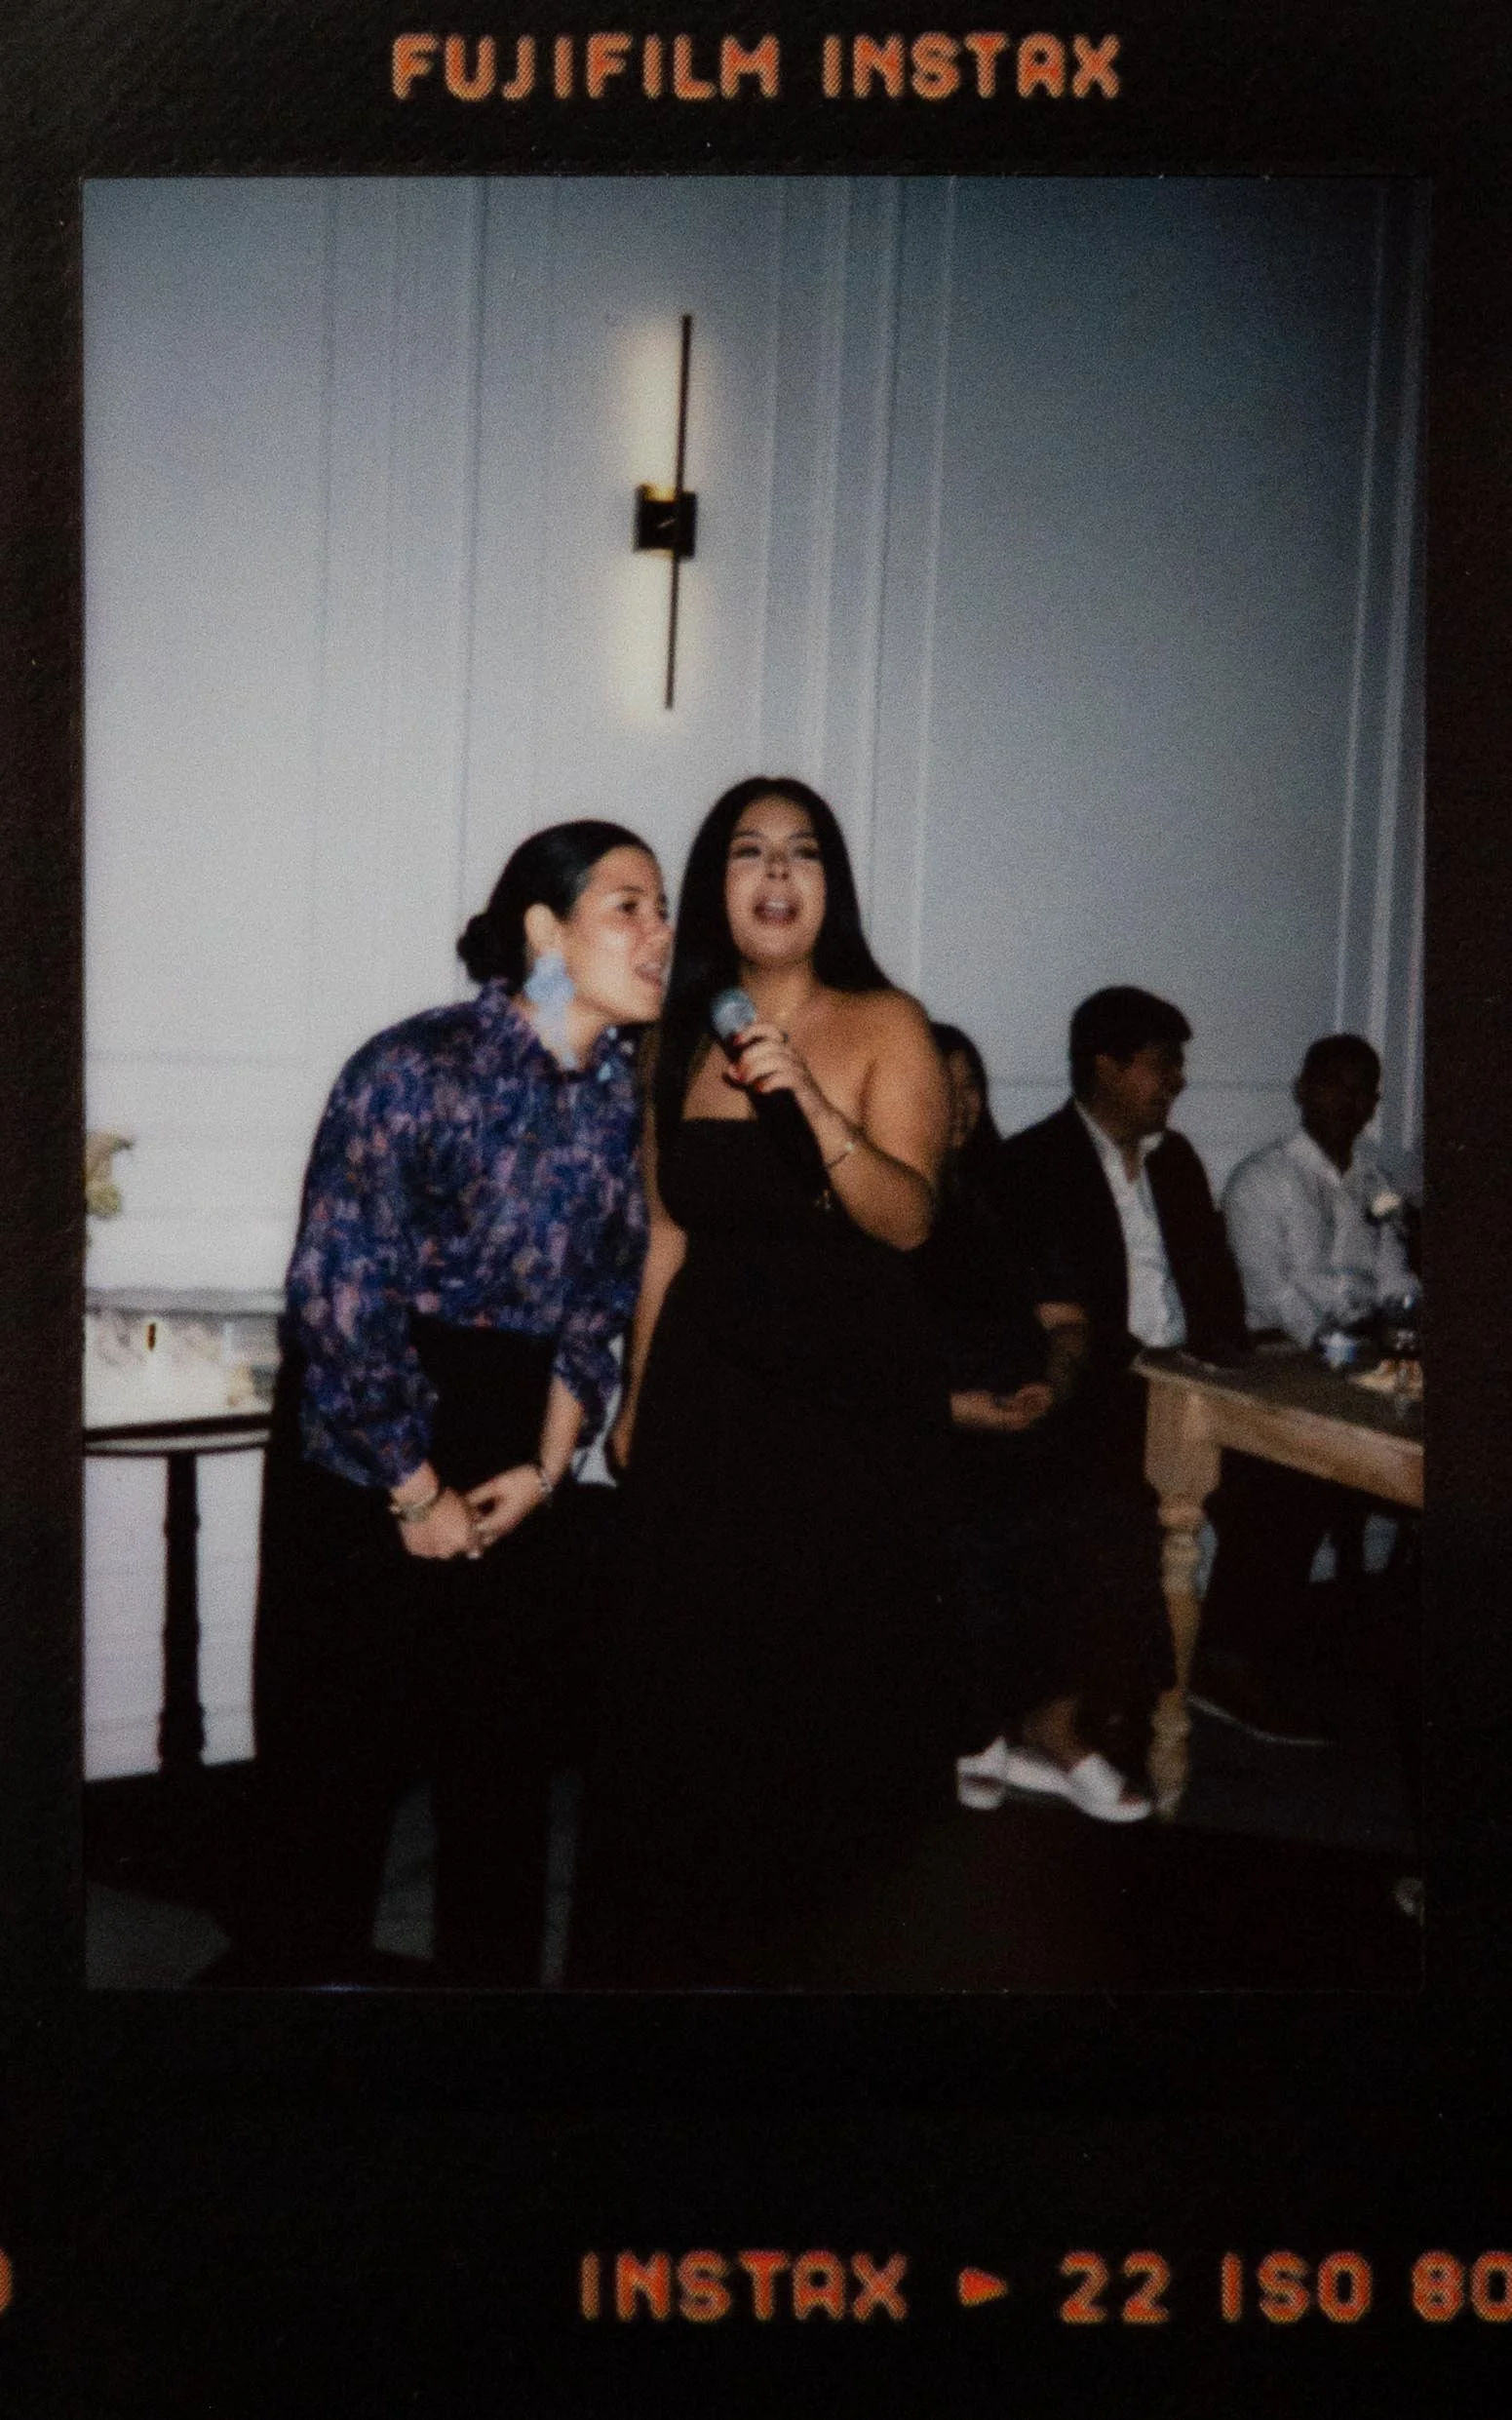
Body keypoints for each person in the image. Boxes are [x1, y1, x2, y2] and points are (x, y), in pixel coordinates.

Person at [236, 821, 670, 1986]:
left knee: (505, 1781)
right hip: (367, 1451)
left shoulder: (621, 1098)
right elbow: (336, 1298)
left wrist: (545, 1469)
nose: (661, 932)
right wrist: (413, 1489)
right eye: (630, 904)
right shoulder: (411, 1067)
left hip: (516, 1442)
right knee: (332, 1783)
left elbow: (598, 1305)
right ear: (544, 929)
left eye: (663, 907)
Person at [570, 777, 954, 1987]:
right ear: (718, 886)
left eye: (800, 854)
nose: (775, 875)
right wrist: (634, 1399)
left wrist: (811, 1101)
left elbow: (906, 1225)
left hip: (850, 1415)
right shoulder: (673, 1037)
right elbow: (666, 1232)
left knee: (832, 1699)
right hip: (710, 1399)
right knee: (689, 1700)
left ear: (829, 886)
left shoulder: (889, 1021)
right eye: (747, 854)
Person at [990, 986, 1248, 1801]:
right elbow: (1046, 1323)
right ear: (1105, 1065)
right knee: (1120, 1505)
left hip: (1188, 1382)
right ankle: (1095, 1709)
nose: (1176, 1082)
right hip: (1099, 1391)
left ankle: (1209, 1674)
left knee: (1279, 1484)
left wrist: (1220, 1361)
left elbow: (1215, 1289)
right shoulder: (1034, 1165)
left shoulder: (1176, 1163)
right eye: (1161, 1064)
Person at [914, 1027, 1151, 1824]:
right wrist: (957, 1409)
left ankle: (1056, 1726)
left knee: (1114, 1506)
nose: (961, 1102)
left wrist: (1049, 1386)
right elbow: (849, 1359)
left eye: (971, 1083)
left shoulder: (1013, 1192)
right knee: (974, 1513)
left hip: (1022, 1408)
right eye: (940, 1084)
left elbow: (1067, 1322)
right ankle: (975, 1729)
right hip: (924, 1421)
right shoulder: (881, 1203)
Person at [1190, 1034, 1415, 1744]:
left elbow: (1395, 1279)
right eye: (1333, 1085)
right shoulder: (1263, 1181)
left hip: (1355, 1356)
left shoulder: (1374, 1182)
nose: (1348, 1101)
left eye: (1362, 1089)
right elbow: (1280, 1303)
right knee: (1292, 1484)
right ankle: (1229, 1662)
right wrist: (1370, 1357)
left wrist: (1408, 1330)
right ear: (1301, 1089)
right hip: (1274, 1365)